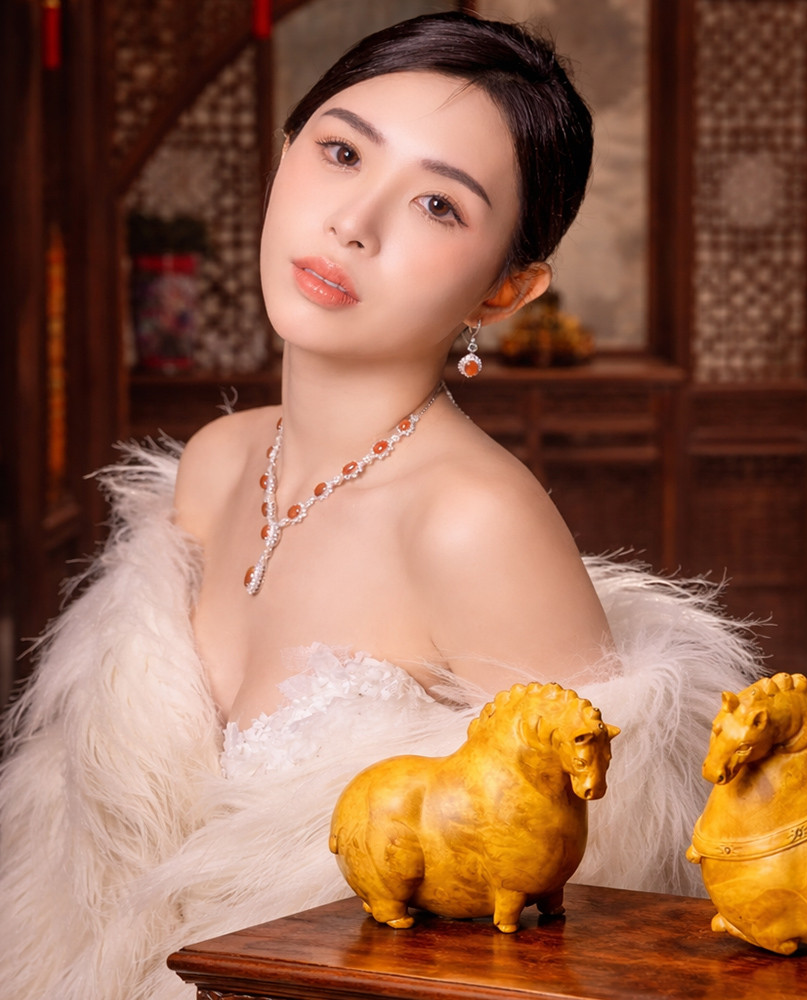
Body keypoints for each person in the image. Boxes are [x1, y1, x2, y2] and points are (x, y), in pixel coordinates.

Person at [0, 12, 758, 1000]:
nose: (354, 221)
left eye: (439, 205)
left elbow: (594, 917)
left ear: (505, 291)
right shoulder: (216, 465)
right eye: (342, 151)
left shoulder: (475, 525)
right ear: (284, 156)